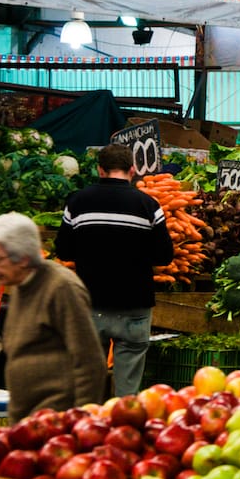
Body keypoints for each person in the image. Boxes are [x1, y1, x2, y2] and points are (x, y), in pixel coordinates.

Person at [55, 143, 174, 396]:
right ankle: (123, 427)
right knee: (127, 394)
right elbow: (164, 256)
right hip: (134, 306)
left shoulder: (77, 202)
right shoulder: (148, 205)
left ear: (100, 170)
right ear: (132, 170)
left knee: (87, 388)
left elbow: (63, 251)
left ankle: (88, 427)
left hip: (90, 304)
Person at [0, 212, 106, 422]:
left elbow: (89, 360)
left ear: (24, 258)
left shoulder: (62, 288)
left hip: (55, 421)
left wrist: (79, 421)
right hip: (26, 419)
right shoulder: (19, 284)